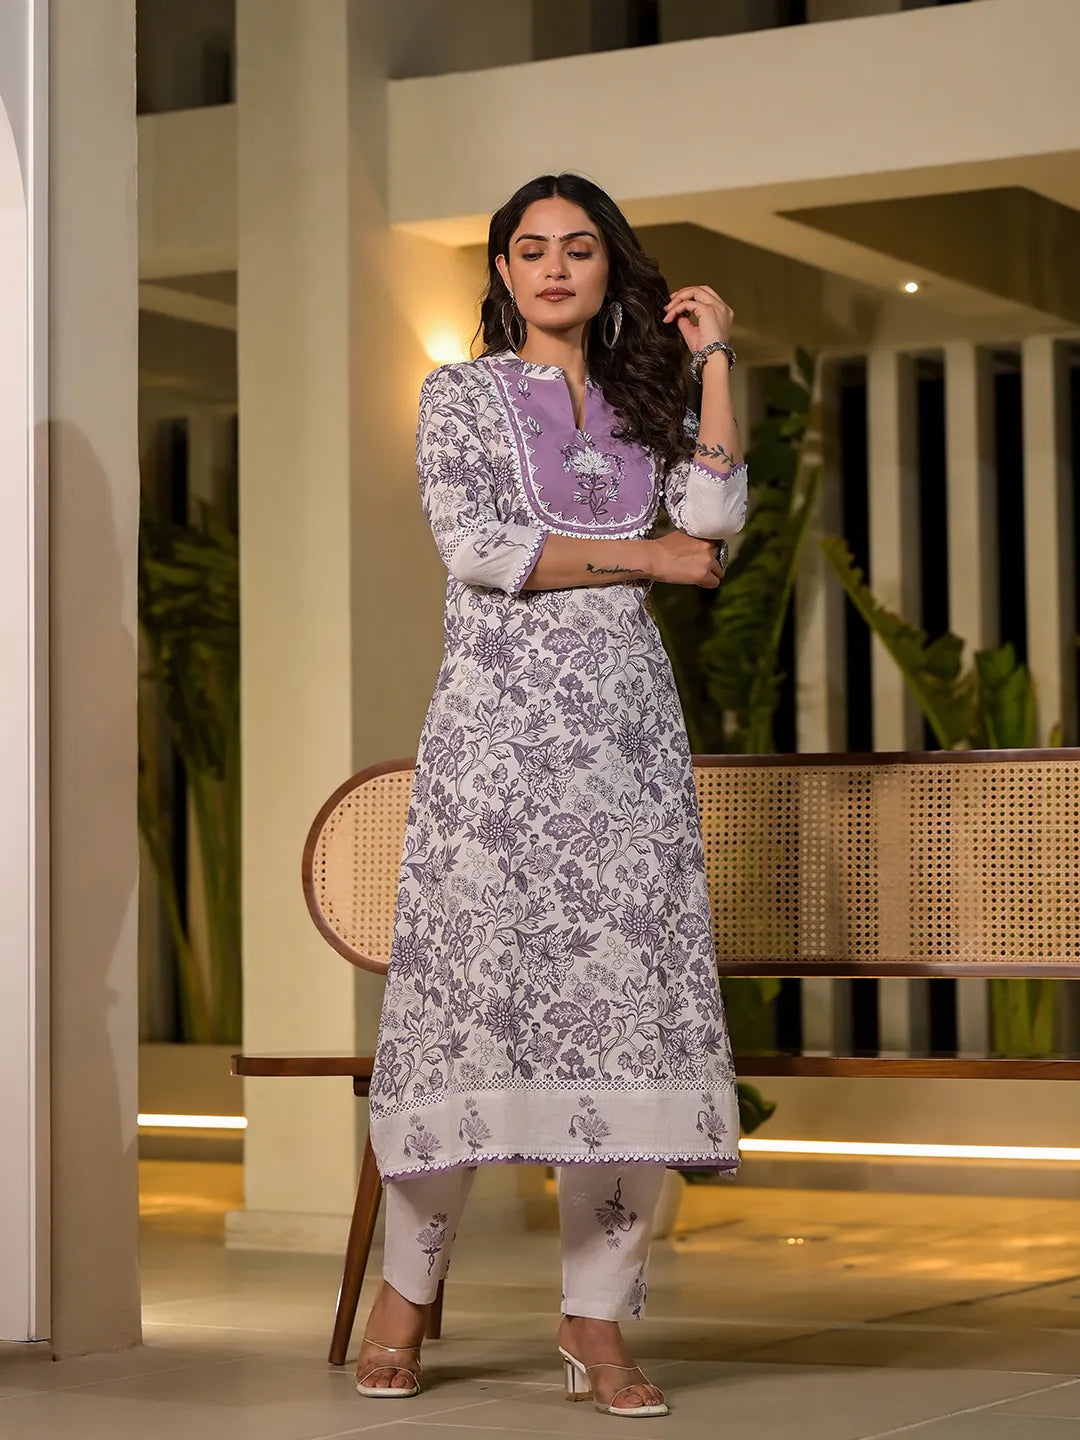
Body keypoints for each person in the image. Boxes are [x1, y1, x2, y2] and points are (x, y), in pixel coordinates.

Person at [356, 172, 747, 1418]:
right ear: (503, 272)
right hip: (495, 741)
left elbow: (712, 526)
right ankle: (404, 1298)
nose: (556, 268)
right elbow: (479, 548)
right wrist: (643, 557)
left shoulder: (649, 399)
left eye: (580, 248)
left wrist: (715, 362)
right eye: (532, 250)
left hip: (624, 744)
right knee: (467, 1005)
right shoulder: (460, 395)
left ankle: (596, 1321)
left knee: (625, 1015)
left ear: (608, 266)